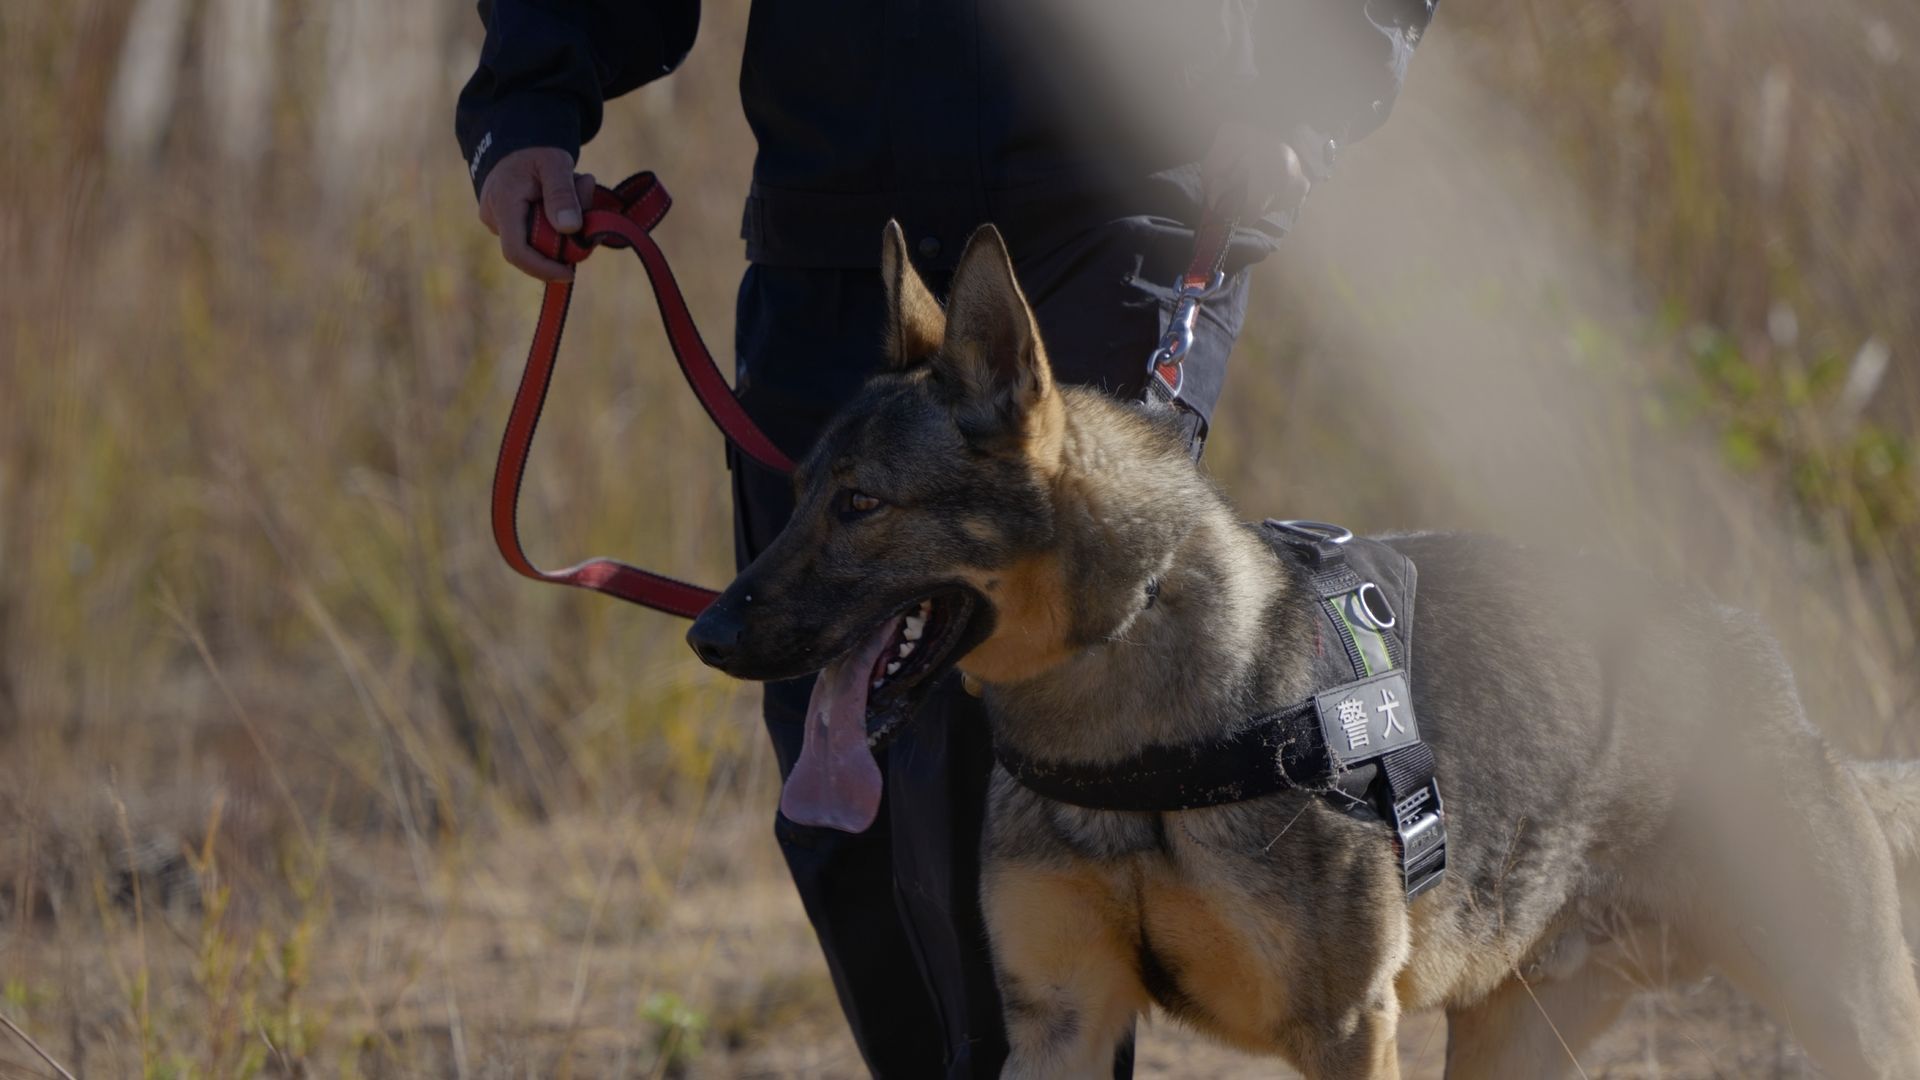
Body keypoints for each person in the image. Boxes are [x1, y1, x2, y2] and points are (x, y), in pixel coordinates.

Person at [455, 2, 1436, 1075]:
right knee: (835, 751)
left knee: (1013, 738)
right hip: (836, 226)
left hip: (1119, 203)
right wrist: (532, 106)